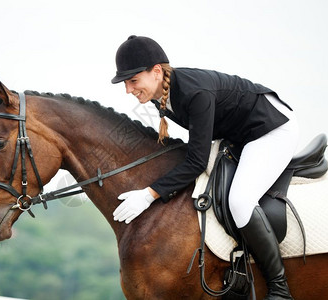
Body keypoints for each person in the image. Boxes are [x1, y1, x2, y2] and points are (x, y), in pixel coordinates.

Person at [111, 35, 299, 300]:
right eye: (125, 83)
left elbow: (196, 161)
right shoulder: (159, 92)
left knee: (240, 201)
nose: (128, 90)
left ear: (156, 72)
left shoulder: (194, 92)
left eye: (132, 81)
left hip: (270, 129)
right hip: (237, 134)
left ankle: (280, 289)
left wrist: (149, 194)